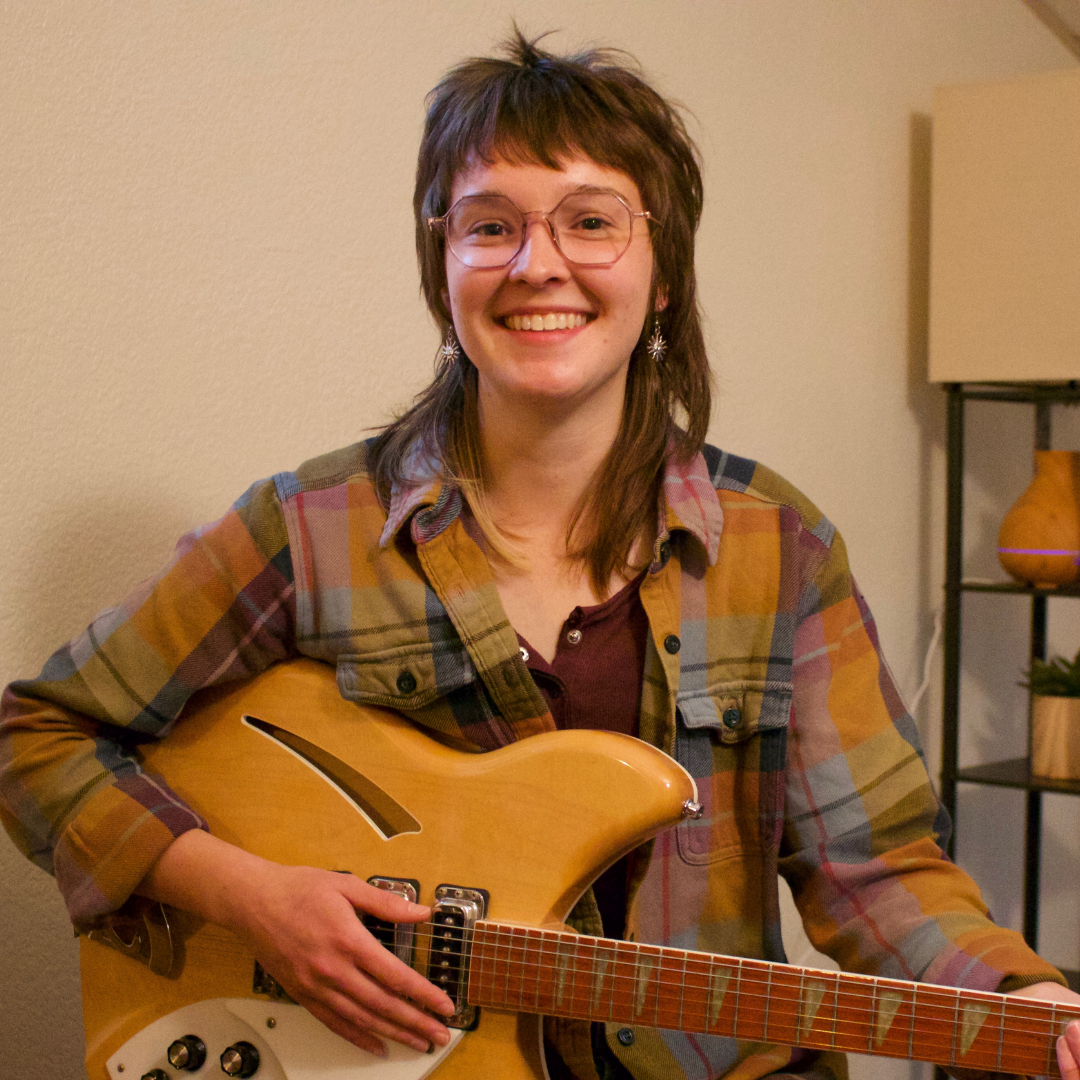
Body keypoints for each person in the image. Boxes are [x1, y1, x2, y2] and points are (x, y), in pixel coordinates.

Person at [2, 30, 1079, 1080]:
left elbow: (877, 866)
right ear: (444, 270)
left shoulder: (779, 547)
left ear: (664, 275)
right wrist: (254, 898)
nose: (538, 264)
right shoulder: (310, 529)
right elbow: (37, 740)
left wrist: (1026, 1002)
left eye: (591, 221)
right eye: (490, 225)